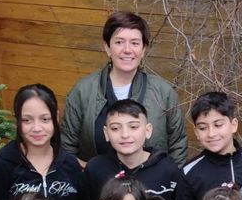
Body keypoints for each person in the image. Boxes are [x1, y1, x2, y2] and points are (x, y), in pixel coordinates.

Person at [60, 11, 187, 166]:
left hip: (151, 188)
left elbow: (178, 145)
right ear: (107, 47)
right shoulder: (83, 91)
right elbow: (67, 147)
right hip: (96, 186)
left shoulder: (163, 92)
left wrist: (168, 183)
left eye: (134, 43)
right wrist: (87, 176)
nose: (127, 50)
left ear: (143, 49)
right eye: (119, 42)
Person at [79, 99, 195, 200]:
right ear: (106, 133)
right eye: (115, 128)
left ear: (148, 130)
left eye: (133, 127)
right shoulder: (96, 168)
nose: (125, 135)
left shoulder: (168, 169)